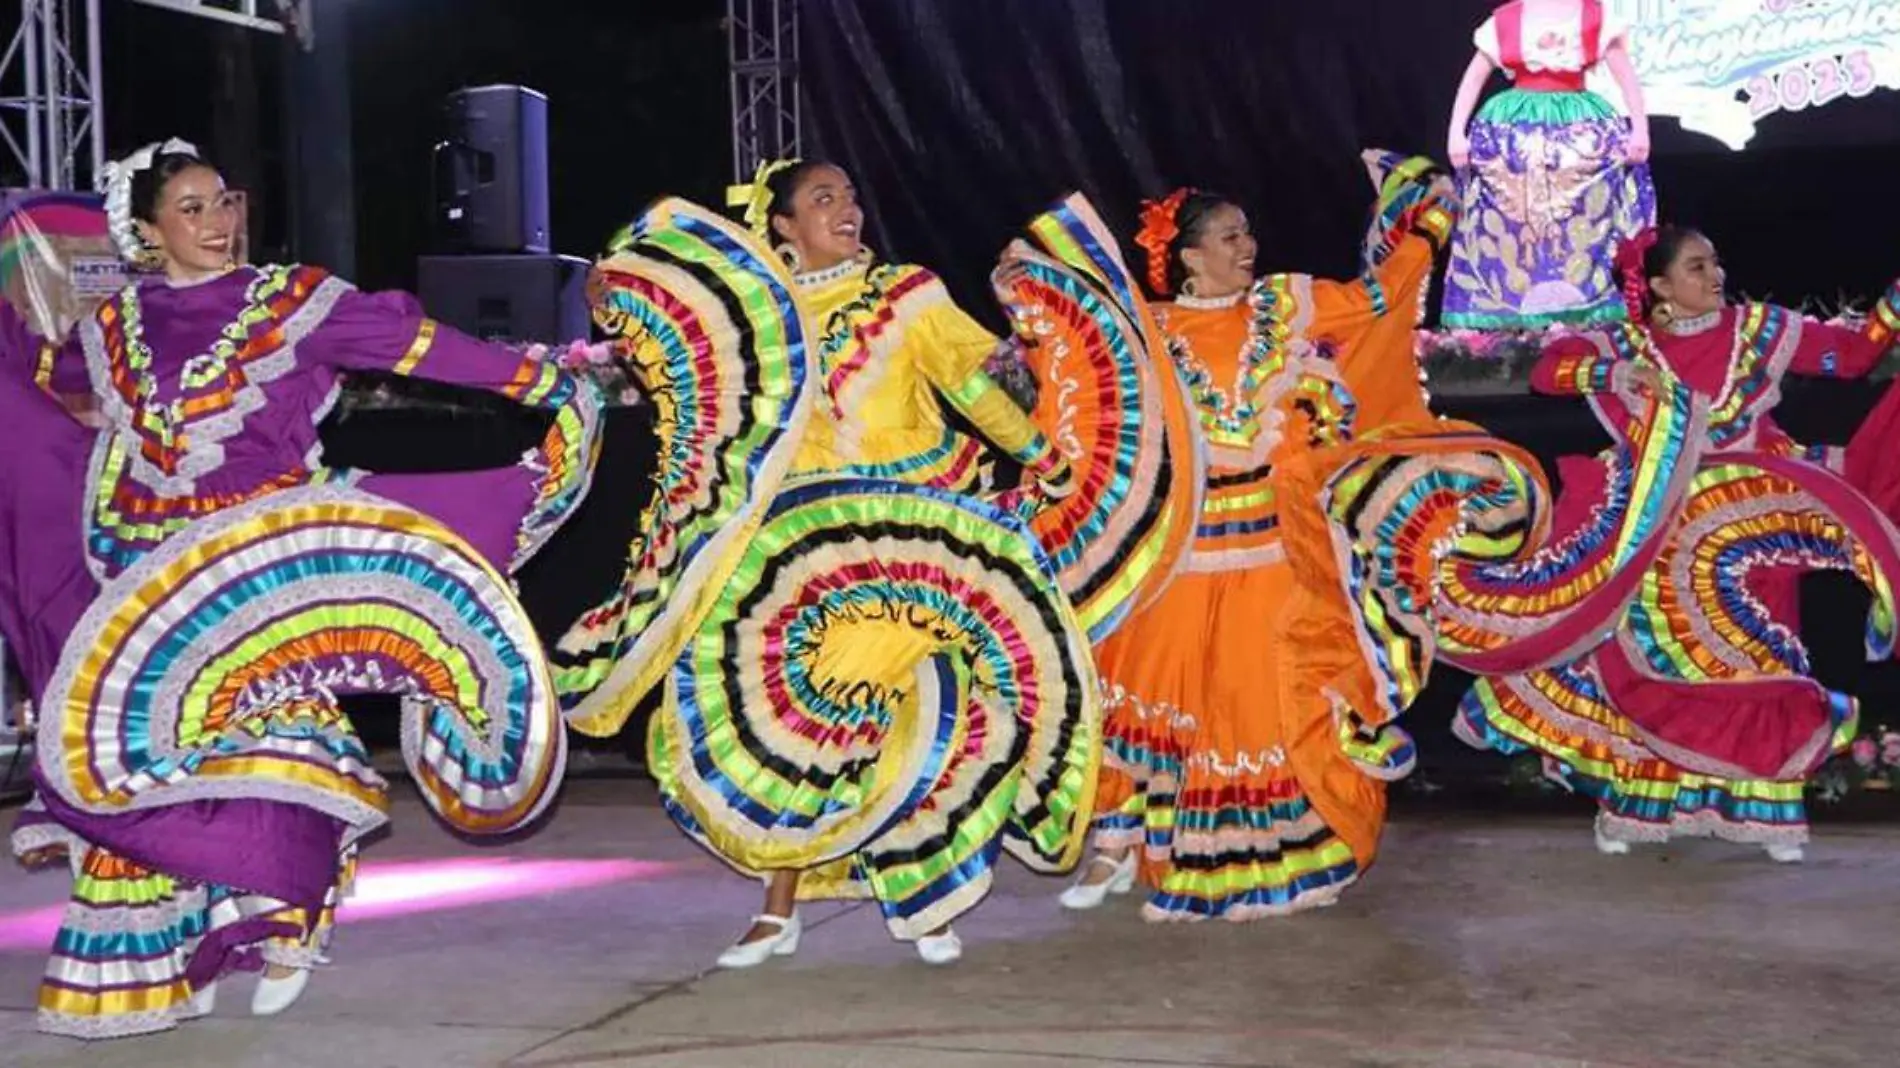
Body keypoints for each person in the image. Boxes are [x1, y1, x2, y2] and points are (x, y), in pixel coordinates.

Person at [2, 138, 598, 1038]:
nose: (218, 223)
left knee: (277, 746)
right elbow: (55, 389)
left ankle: (288, 912)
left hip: (266, 578)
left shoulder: (287, 303)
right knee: (149, 773)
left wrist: (543, 376)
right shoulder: (112, 326)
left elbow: (417, 346)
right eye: (193, 208)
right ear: (149, 229)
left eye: (225, 201)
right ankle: (165, 967)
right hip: (146, 586)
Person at [557, 168, 1094, 971]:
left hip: (914, 542)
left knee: (931, 717)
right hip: (797, 559)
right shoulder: (758, 324)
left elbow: (973, 385)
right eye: (823, 200)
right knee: (794, 723)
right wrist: (615, 294)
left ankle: (925, 888)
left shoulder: (905, 294)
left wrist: (1043, 458)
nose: (847, 211)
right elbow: (674, 368)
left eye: (849, 197)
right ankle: (780, 906)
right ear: (781, 228)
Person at [1058, 162, 1460, 920]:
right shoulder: (1149, 328)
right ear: (1189, 255)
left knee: (1257, 702)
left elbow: (1375, 302)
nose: (1249, 245)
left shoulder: (1286, 305)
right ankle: (1114, 844)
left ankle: (1266, 856)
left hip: (1272, 549)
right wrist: (1036, 284)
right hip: (1178, 553)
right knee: (1145, 693)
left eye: (1248, 233)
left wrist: (1426, 232)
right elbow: (1091, 402)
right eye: (1230, 236)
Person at [1455, 224, 1900, 860]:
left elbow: (1853, 356)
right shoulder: (1628, 343)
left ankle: (1765, 814)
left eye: (1716, 263)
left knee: (1755, 665)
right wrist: (1616, 372)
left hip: (1748, 527)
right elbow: (1550, 372)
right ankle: (1636, 810)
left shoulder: (1759, 331)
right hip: (1658, 527)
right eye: (1696, 267)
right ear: (1660, 287)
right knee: (1656, 667)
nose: (1714, 276)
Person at [1443, 0, 1655, 330]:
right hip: (1512, 133)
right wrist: (1456, 133)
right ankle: (1509, 322)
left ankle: (1584, 315)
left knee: (1583, 222)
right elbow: (1473, 78)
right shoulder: (1508, 19)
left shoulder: (1593, 15)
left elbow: (1625, 76)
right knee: (1514, 222)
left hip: (1580, 131)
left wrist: (1640, 130)